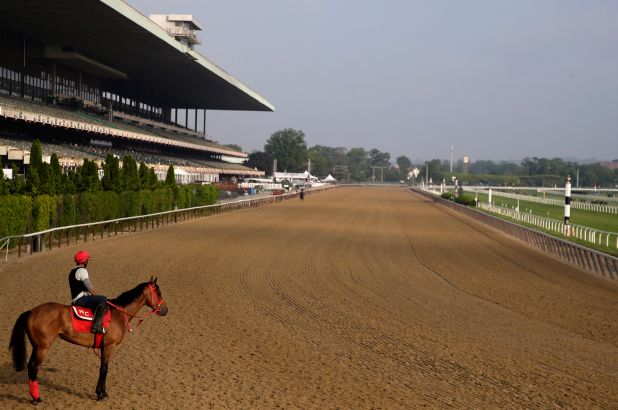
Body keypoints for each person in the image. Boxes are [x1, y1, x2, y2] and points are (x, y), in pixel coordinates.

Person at [69, 250, 108, 334]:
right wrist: (97, 297)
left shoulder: (72, 271)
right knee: (103, 299)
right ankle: (96, 326)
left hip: (75, 299)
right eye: (87, 260)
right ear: (85, 261)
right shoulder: (82, 271)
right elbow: (90, 288)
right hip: (81, 300)